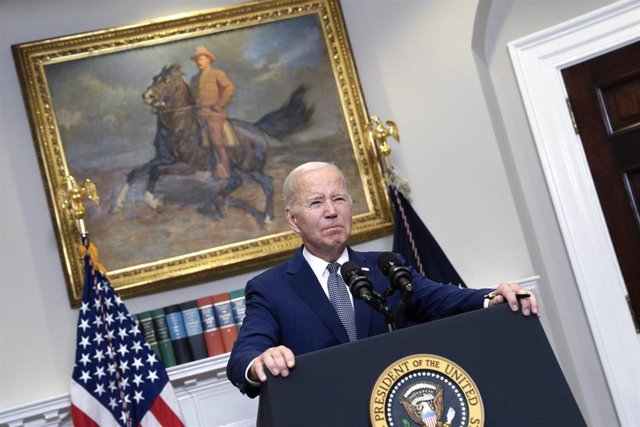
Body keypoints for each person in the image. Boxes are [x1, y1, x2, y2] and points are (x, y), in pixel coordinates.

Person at [226, 161, 538, 398]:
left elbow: (440, 298)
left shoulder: (384, 266)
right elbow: (243, 359)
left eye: (339, 199)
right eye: (317, 203)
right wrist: (260, 363)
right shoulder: (271, 288)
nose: (332, 212)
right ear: (293, 219)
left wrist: (492, 297)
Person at [190, 46, 236, 180]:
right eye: (197, 60)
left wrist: (219, 104)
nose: (199, 62)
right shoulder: (194, 79)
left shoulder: (216, 73)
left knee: (214, 135)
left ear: (209, 59)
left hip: (214, 113)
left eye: (202, 58)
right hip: (198, 113)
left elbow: (229, 88)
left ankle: (224, 169)